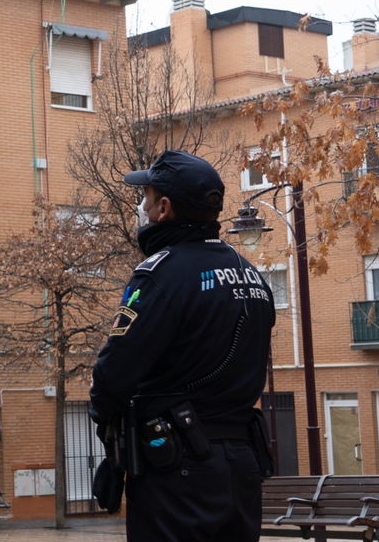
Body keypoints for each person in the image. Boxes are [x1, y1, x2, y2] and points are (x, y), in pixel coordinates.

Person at [90, 150, 276, 542]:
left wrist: (107, 428)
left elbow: (115, 372)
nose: (141, 206)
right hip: (242, 464)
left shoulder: (162, 274)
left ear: (164, 208)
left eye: (146, 197)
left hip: (179, 466)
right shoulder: (251, 274)